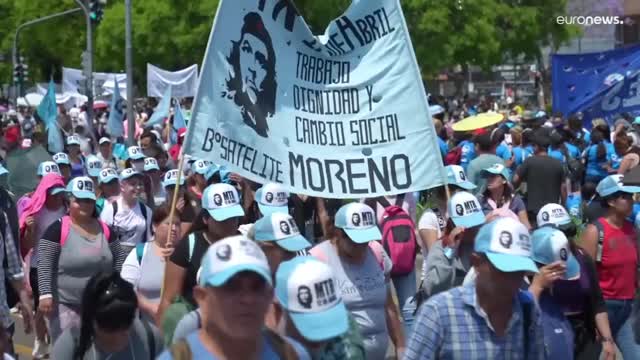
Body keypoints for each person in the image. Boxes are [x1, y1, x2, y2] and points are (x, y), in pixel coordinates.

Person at [405, 217, 543, 360]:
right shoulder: (438, 314)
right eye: (503, 270)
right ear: (476, 263)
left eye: (519, 272)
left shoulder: (528, 311)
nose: (512, 281)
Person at [159, 236, 310, 359]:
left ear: (270, 295)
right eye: (231, 287)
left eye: (257, 286)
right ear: (202, 298)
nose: (247, 299)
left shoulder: (293, 355)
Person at [37, 176, 128, 342]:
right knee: (68, 351)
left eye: (89, 200)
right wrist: (45, 294)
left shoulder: (105, 230)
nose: (85, 204)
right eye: (80, 200)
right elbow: (44, 263)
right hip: (66, 305)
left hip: (99, 305)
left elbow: (120, 257)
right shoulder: (57, 230)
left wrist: (117, 283)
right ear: (69, 200)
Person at [310, 203, 404, 359]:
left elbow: (388, 306)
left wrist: (401, 347)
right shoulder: (318, 259)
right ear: (339, 233)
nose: (362, 247)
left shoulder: (376, 252)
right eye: (355, 242)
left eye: (365, 240)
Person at [158, 183, 245, 342]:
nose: (230, 223)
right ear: (205, 218)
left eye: (233, 217)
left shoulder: (247, 247)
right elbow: (169, 299)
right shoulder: (188, 245)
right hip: (195, 333)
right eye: (223, 218)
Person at [529, 223, 616, 360]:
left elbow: (597, 300)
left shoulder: (583, 259)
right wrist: (537, 287)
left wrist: (607, 339)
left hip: (580, 334)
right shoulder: (522, 285)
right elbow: (521, 318)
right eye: (555, 271)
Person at [579, 174, 640, 358]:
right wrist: (593, 316)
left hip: (628, 308)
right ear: (611, 201)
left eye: (632, 197)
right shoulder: (595, 232)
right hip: (603, 309)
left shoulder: (632, 231)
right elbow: (585, 278)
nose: (631, 201)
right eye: (626, 197)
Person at [52, 271, 164, 359]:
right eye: (110, 327)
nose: (118, 335)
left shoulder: (152, 339)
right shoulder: (69, 346)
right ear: (91, 320)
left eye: (126, 324)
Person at [274, 256, 366, 360]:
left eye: (327, 319)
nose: (320, 338)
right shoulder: (260, 346)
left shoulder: (347, 344)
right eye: (309, 322)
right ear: (279, 309)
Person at [19, 174, 66, 359]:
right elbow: (28, 245)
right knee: (42, 306)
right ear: (45, 193)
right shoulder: (35, 212)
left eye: (60, 194)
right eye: (54, 194)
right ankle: (40, 340)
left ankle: (57, 342)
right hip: (39, 266)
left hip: (61, 266)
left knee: (57, 306)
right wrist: (30, 229)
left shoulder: (67, 208)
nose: (57, 198)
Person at [120, 205, 179, 324]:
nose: (173, 228)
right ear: (154, 226)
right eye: (168, 223)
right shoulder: (140, 253)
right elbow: (126, 288)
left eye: (177, 224)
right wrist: (151, 307)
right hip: (147, 327)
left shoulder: (186, 255)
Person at [224, 12, 277, 138]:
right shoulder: (225, 114)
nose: (252, 67)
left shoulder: (275, 128)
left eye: (260, 59)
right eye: (247, 50)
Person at [513, 132, 567, 226]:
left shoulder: (529, 161)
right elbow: (563, 189)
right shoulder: (558, 164)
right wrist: (563, 205)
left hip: (533, 209)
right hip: (552, 210)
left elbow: (515, 180)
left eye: (533, 146)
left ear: (537, 147)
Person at [100, 168, 152, 254]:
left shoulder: (146, 211)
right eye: (133, 184)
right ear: (122, 187)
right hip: (115, 257)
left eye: (140, 184)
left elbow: (148, 239)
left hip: (137, 258)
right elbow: (102, 238)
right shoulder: (110, 210)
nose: (138, 187)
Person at [477, 163, 530, 228]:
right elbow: (474, 227)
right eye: (488, 176)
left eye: (493, 176)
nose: (489, 179)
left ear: (504, 180)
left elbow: (526, 227)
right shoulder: (480, 200)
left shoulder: (516, 201)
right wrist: (490, 217)